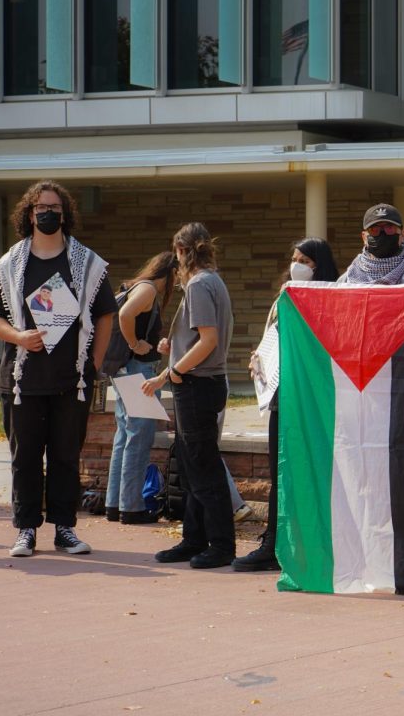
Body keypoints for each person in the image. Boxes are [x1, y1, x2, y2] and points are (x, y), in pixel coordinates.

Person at [0, 181, 116, 557]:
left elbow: (106, 313)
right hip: (23, 381)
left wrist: (96, 361)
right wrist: (19, 336)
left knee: (65, 456)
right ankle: (25, 528)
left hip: (71, 380)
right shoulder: (10, 264)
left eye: (55, 207)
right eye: (41, 206)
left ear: (65, 213)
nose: (48, 213)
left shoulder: (85, 262)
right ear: (28, 213)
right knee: (24, 458)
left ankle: (65, 529)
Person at [234, 237, 339, 572]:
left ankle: (315, 545)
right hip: (281, 396)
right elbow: (274, 338)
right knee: (280, 472)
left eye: (305, 260)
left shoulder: (332, 299)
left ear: (319, 265)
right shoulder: (285, 298)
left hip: (310, 399)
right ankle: (274, 544)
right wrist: (260, 357)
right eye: (294, 258)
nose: (297, 265)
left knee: (312, 473)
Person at [145, 223, 236, 569]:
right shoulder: (212, 281)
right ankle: (194, 539)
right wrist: (175, 347)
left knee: (202, 466)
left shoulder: (199, 284)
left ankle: (221, 546)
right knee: (192, 465)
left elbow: (208, 341)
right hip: (203, 382)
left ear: (183, 251)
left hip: (197, 384)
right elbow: (202, 337)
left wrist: (172, 372)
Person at [105, 251, 175, 525]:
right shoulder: (147, 289)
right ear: (168, 273)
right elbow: (125, 314)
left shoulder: (135, 286)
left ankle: (116, 503)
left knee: (124, 435)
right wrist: (135, 344)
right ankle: (131, 507)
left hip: (124, 368)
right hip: (138, 370)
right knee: (138, 436)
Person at [339, 203, 404, 284]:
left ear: (402, 235)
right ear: (364, 237)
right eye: (374, 229)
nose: (382, 233)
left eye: (389, 228)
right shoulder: (348, 279)